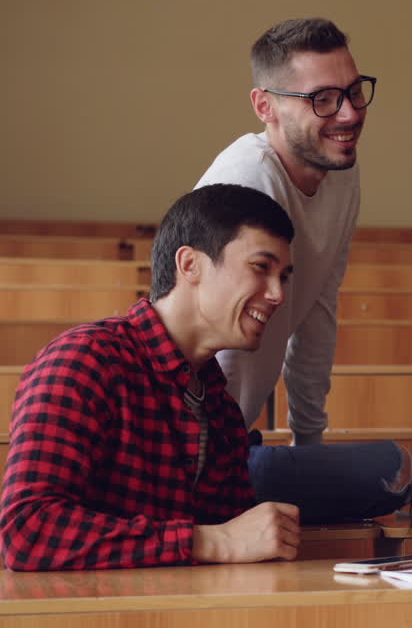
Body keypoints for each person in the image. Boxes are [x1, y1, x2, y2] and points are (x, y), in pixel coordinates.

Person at [0, 185, 302, 570]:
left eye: (284, 277)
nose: (278, 294)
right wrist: (211, 540)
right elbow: (28, 532)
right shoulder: (85, 360)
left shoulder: (220, 407)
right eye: (261, 267)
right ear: (190, 264)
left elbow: (236, 543)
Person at [196, 17, 407, 522]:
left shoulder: (340, 168)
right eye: (323, 99)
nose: (350, 113)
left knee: (397, 473)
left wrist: (310, 444)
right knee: (398, 468)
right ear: (265, 106)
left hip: (236, 439)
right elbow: (211, 342)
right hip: (198, 449)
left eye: (355, 92)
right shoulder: (246, 182)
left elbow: (317, 308)